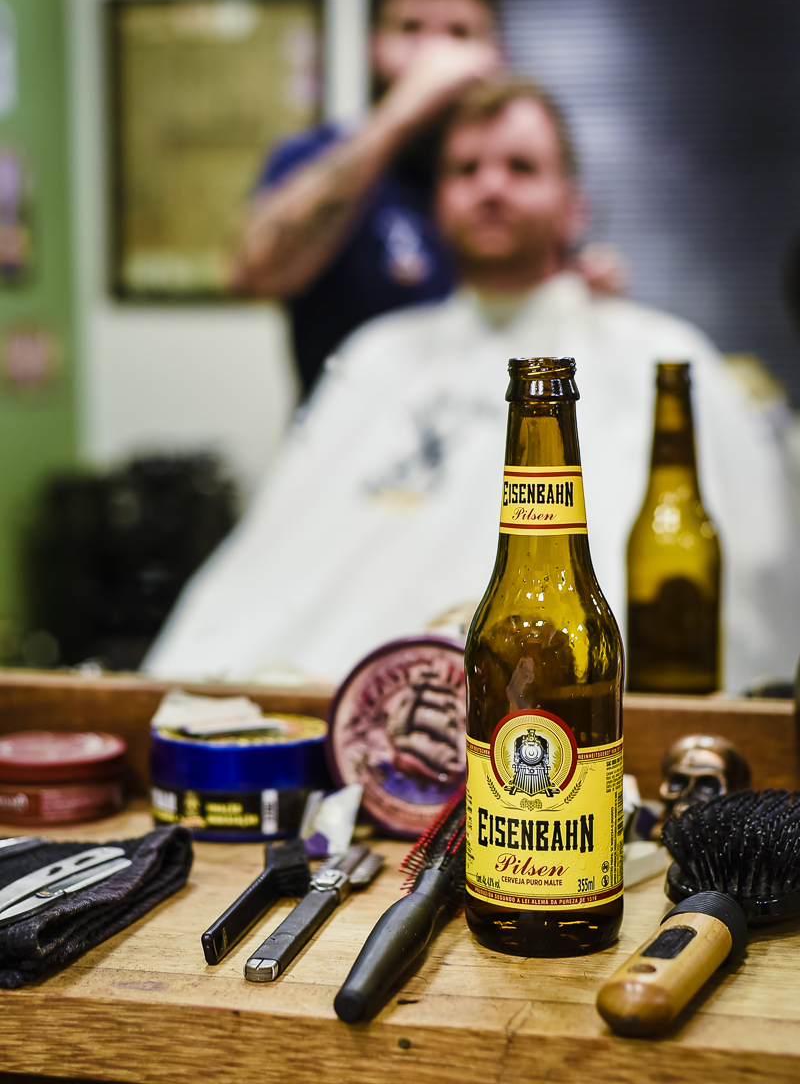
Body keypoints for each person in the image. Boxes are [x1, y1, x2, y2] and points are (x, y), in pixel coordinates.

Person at [147, 78, 800, 692]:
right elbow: (269, 565)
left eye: (521, 168)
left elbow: (750, 600)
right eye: (466, 169)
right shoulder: (375, 354)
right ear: (437, 203)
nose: (491, 186)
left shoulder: (659, 355)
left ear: (575, 207)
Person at [232, 0, 624, 395]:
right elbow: (251, 275)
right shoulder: (317, 158)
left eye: (459, 33)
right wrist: (402, 113)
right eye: (410, 29)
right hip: (348, 450)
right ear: (374, 46)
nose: (435, 55)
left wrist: (592, 304)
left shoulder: (503, 176)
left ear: (497, 56)